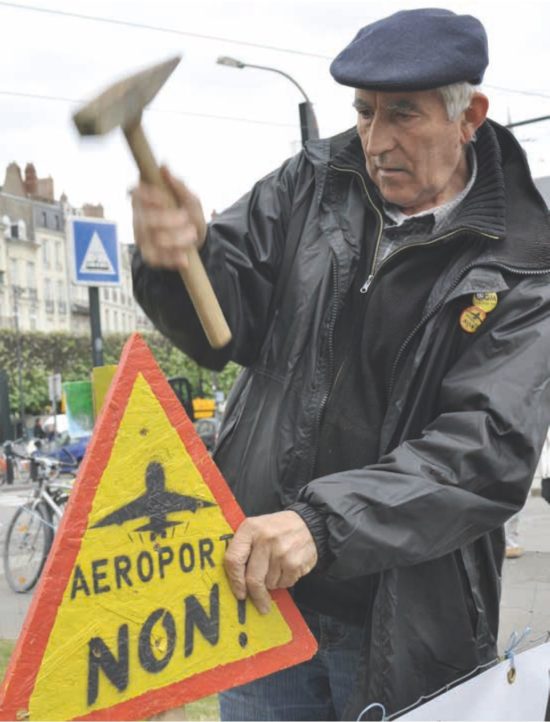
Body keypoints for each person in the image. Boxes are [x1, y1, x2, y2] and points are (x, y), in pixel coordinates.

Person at [131, 8, 550, 720]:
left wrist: (320, 524)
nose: (376, 139)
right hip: (264, 605)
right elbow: (226, 326)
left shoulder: (524, 264)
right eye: (364, 111)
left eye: (403, 115)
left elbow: (484, 452)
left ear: (469, 115)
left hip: (409, 625)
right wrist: (178, 259)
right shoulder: (313, 180)